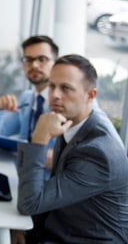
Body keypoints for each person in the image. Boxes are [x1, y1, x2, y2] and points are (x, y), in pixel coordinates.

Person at [17, 54, 128, 243]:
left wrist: (40, 139)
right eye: (52, 86)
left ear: (91, 95)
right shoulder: (73, 123)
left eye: (66, 88)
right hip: (60, 231)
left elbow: (30, 203)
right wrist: (24, 231)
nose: (55, 95)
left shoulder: (98, 151)